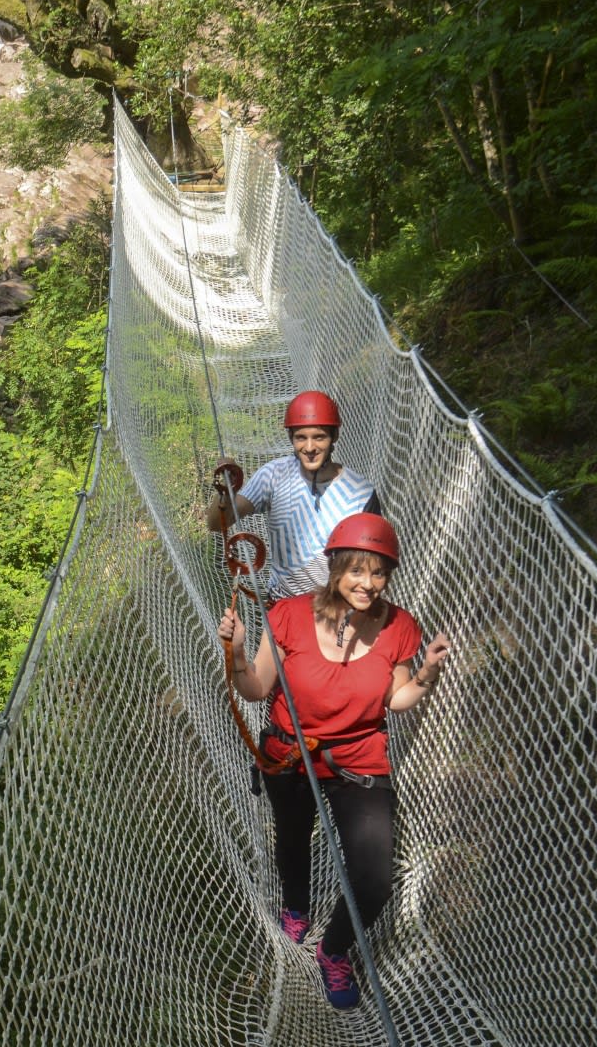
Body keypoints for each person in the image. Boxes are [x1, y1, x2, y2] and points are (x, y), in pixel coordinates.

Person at [217, 513, 451, 1009]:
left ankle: (334, 950)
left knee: (374, 879)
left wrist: (427, 674)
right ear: (336, 568)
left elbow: (398, 698)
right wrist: (237, 655)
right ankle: (297, 905)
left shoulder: (398, 626)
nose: (368, 584)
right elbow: (256, 687)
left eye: (379, 573)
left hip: (359, 759)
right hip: (290, 754)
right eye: (357, 571)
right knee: (293, 839)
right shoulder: (288, 615)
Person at [207, 390, 381, 599]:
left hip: (336, 609)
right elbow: (217, 524)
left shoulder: (360, 494)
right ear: (291, 438)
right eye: (301, 437)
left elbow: (371, 566)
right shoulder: (274, 475)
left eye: (319, 437)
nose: (309, 447)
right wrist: (226, 487)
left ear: (334, 436)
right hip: (284, 607)